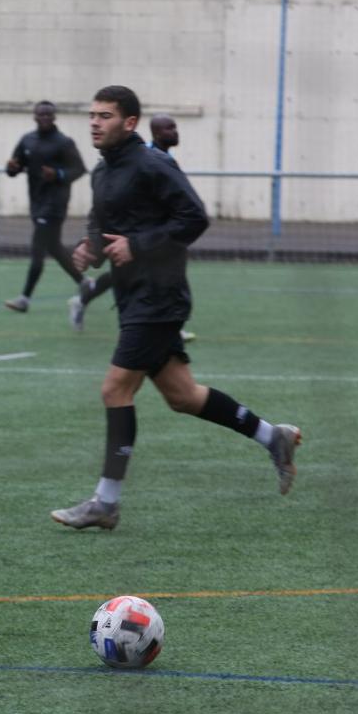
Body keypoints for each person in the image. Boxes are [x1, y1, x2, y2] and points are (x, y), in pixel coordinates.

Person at [50, 86, 301, 531]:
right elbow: (104, 222)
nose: (94, 122)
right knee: (183, 395)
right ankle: (272, 436)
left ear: (129, 123)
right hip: (133, 297)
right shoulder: (103, 171)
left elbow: (194, 218)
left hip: (159, 297)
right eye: (91, 115)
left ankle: (106, 503)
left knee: (115, 390)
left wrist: (138, 245)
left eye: (104, 115)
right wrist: (91, 247)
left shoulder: (153, 164)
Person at [68, 113, 192, 340]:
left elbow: (191, 215)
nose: (174, 132)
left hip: (144, 253)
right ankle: (85, 297)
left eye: (174, 127)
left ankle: (167, 322)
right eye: (169, 128)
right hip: (128, 244)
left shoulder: (159, 160)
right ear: (155, 133)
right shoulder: (144, 162)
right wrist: (92, 245)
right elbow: (103, 207)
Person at [2, 101, 89, 314]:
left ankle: (25, 298)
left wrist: (58, 174)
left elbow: (79, 169)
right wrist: (11, 168)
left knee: (38, 248)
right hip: (37, 202)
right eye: (41, 114)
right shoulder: (27, 140)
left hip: (55, 203)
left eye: (49, 114)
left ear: (54, 117)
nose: (45, 118)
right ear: (35, 116)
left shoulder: (64, 143)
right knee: (54, 247)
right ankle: (86, 283)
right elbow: (16, 166)